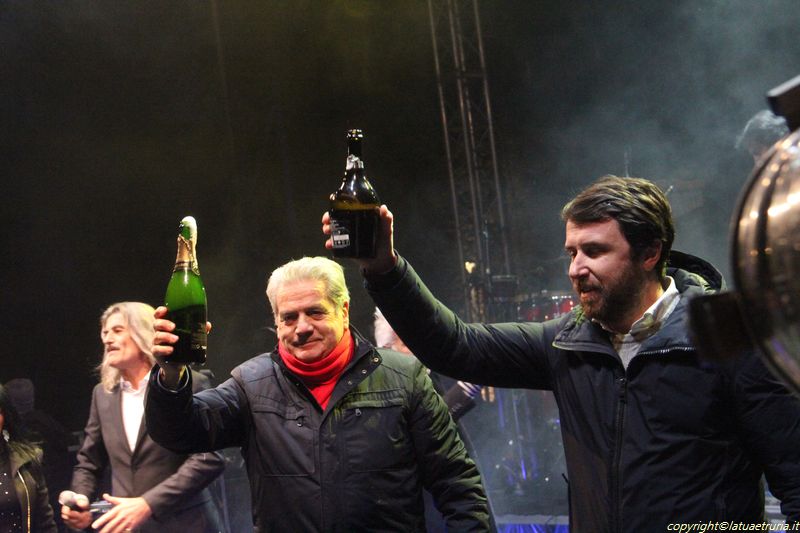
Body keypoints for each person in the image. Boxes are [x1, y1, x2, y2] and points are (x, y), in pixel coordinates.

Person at [322, 175, 800, 531]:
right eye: (571, 252)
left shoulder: (731, 338)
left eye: (594, 251)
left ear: (650, 252)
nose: (576, 268)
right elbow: (456, 346)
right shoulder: (567, 343)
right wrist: (382, 266)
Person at [145, 256, 490, 531]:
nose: (302, 327)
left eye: (315, 312)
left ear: (344, 310)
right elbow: (179, 432)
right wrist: (171, 374)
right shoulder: (250, 384)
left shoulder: (403, 377)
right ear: (276, 322)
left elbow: (457, 483)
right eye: (289, 317)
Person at [62, 302, 224, 533]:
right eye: (105, 332)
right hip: (125, 528)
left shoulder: (188, 382)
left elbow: (208, 458)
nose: (107, 339)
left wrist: (149, 503)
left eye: (118, 330)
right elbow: (89, 461)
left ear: (143, 333)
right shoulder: (103, 394)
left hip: (185, 524)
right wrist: (79, 501)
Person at [373, 307, 482, 421]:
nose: (416, 348)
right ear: (388, 350)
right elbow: (429, 424)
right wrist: (470, 384)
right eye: (405, 344)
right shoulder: (385, 392)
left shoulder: (426, 377)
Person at [5, 378, 72, 533]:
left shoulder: (18, 431)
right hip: (46, 491)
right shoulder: (45, 422)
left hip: (48, 490)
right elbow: (66, 441)